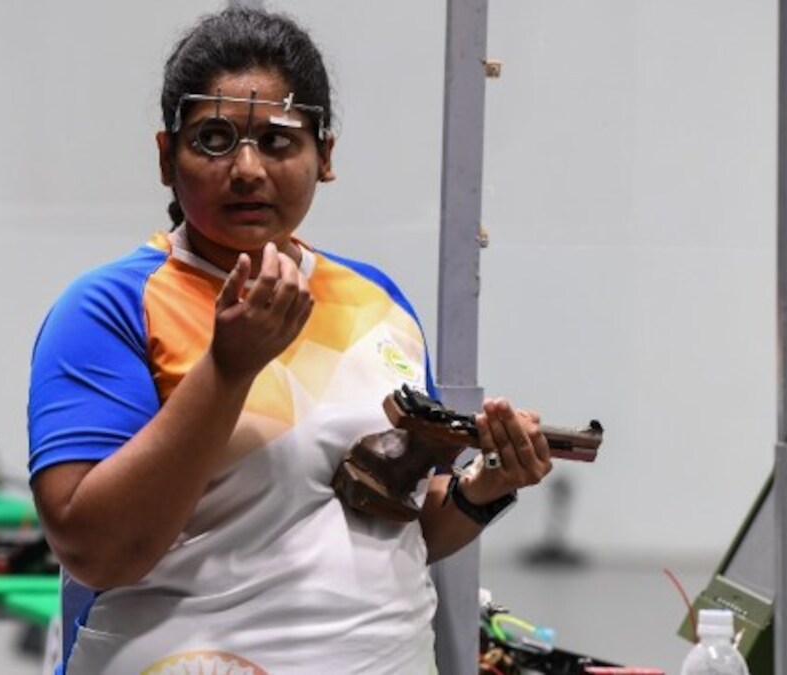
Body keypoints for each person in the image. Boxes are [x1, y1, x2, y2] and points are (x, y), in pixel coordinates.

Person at [27, 8, 552, 674]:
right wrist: (227, 369)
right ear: (166, 157)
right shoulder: (108, 307)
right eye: (213, 139)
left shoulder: (377, 301)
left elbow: (401, 524)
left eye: (278, 141)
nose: (246, 169)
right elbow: (97, 549)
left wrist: (487, 486)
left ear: (324, 155)